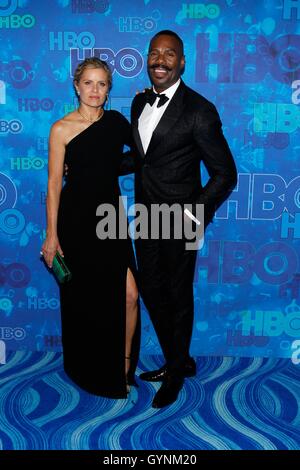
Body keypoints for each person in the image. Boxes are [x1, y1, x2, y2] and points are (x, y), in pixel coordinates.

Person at [130, 30, 237, 408]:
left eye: (169, 54)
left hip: (179, 221)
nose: (160, 60)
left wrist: (194, 215)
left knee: (178, 295)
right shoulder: (139, 102)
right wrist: (92, 165)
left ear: (182, 62)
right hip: (145, 218)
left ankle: (175, 372)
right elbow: (144, 160)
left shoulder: (199, 110)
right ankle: (181, 359)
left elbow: (226, 174)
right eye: (154, 53)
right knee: (153, 291)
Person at [41, 57, 139, 398]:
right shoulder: (61, 129)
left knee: (128, 295)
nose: (95, 90)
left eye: (102, 84)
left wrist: (142, 106)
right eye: (88, 83)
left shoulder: (115, 122)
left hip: (110, 218)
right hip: (76, 221)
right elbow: (54, 184)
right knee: (84, 299)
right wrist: (52, 234)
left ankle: (124, 365)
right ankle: (86, 368)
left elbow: (141, 154)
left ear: (109, 89)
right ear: (76, 86)